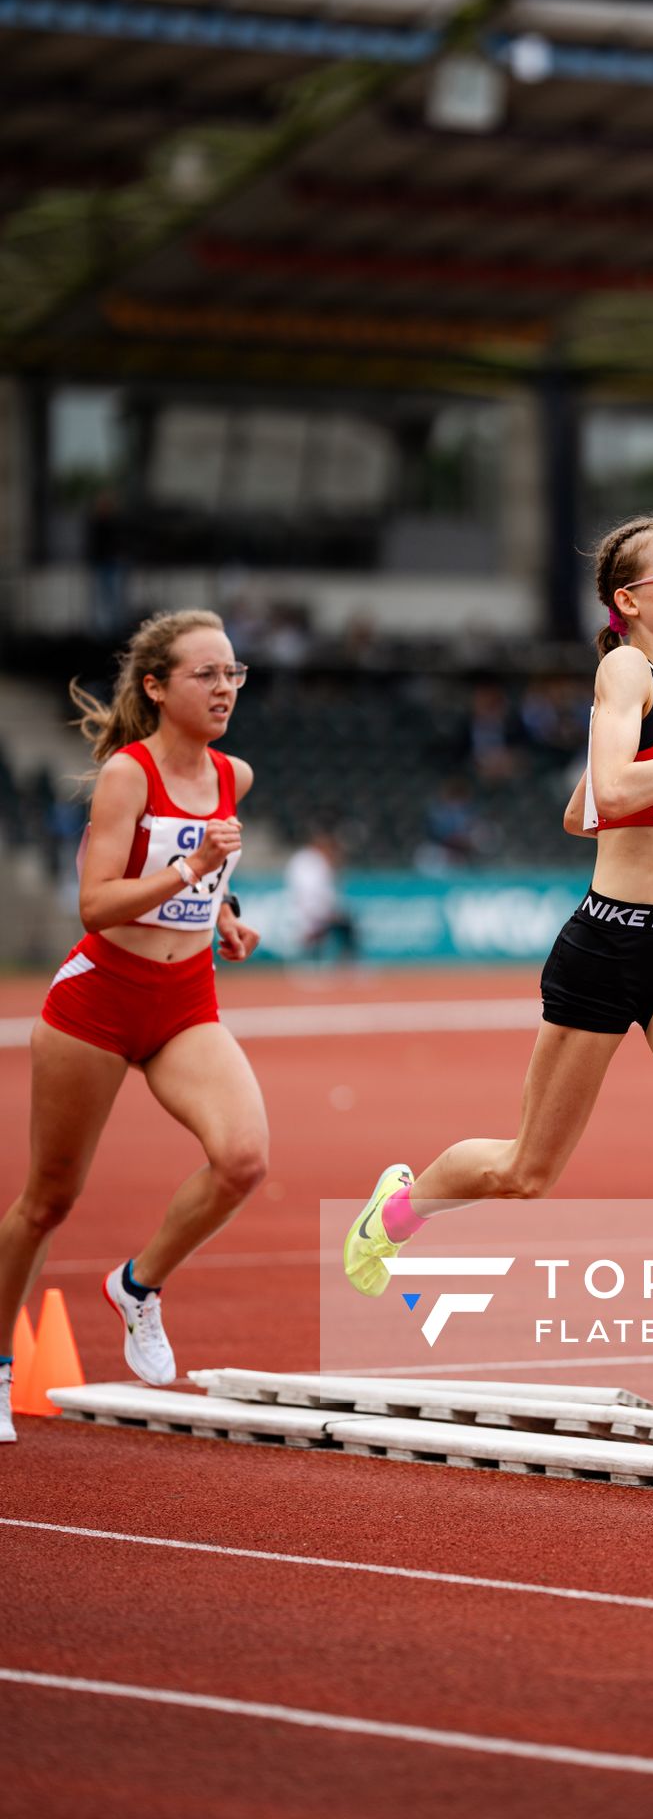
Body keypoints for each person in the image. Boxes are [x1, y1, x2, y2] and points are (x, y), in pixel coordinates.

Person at [343, 513, 653, 1468]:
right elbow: (603, 785)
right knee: (527, 1170)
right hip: (604, 951)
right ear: (629, 601)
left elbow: (581, 812)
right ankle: (397, 1210)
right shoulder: (625, 673)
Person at [0, 610, 267, 1445]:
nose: (225, 689)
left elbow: (203, 870)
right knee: (48, 1201)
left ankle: (138, 1286)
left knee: (243, 1158)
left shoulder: (235, 775)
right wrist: (191, 869)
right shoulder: (129, 774)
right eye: (207, 675)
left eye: (234, 674)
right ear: (156, 687)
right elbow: (97, 903)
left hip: (185, 997)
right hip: (99, 999)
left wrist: (221, 912)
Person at [285, 828, 359, 960]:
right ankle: (348, 962)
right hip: (310, 913)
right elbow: (314, 893)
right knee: (345, 925)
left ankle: (345, 961)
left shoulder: (308, 859)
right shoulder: (312, 861)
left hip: (311, 911)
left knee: (345, 924)